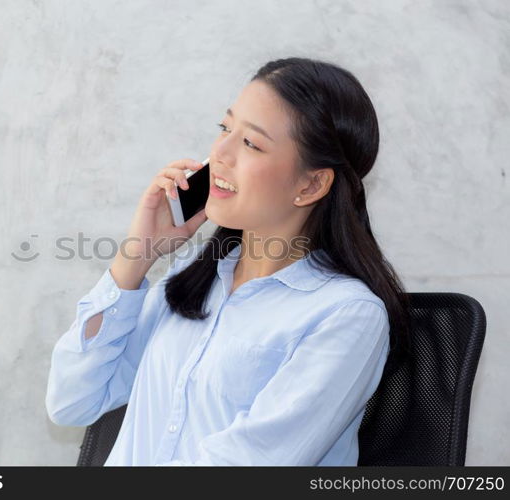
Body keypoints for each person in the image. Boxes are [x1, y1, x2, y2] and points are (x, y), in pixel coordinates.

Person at [45, 57, 411, 466]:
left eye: (251, 143)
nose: (219, 153)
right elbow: (72, 401)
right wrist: (137, 256)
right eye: (225, 129)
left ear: (311, 184)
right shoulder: (192, 278)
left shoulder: (346, 316)